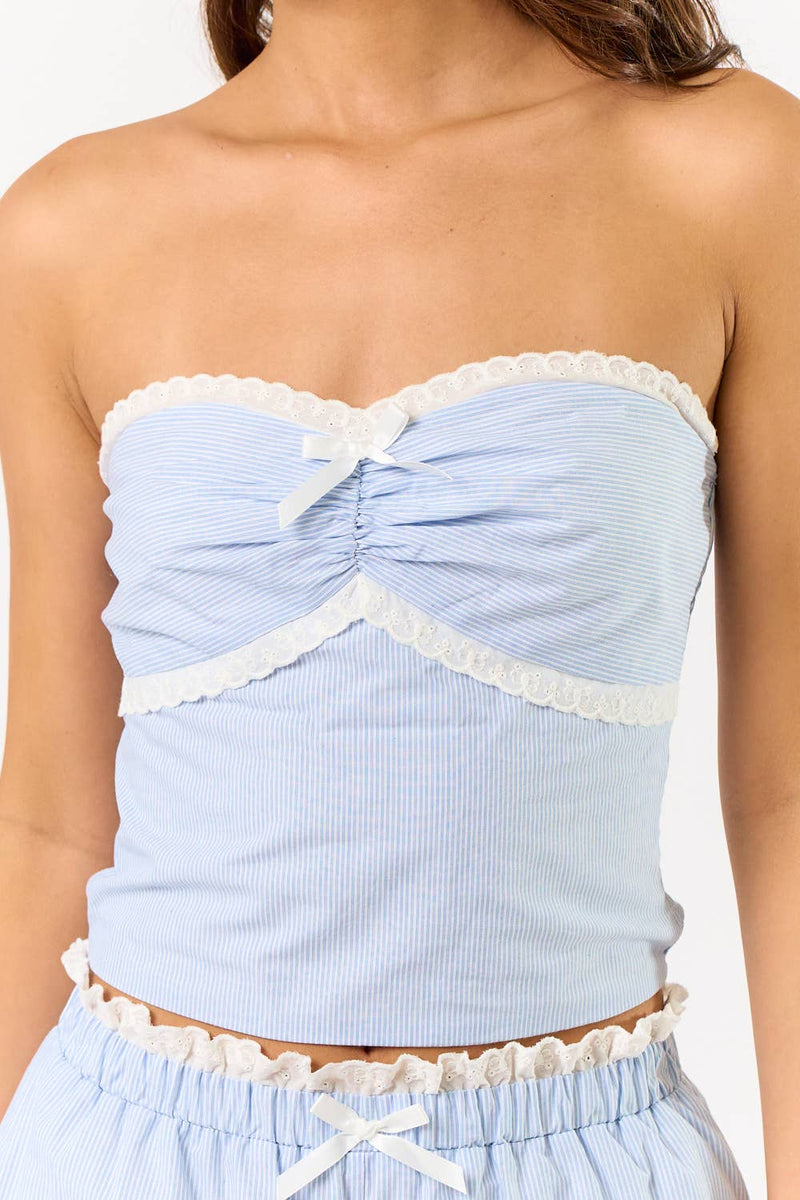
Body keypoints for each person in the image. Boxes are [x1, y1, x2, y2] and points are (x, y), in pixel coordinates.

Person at [0, 0, 796, 1194]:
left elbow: (787, 795)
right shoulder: (67, 225)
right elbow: (50, 822)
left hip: (576, 1156)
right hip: (119, 1148)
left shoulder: (733, 173)